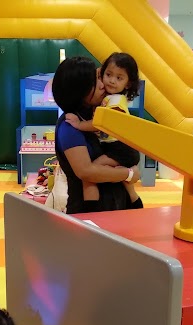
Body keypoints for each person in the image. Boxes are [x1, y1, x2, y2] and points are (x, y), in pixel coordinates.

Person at [52, 56, 143, 214]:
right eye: (96, 81)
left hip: (117, 208)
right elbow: (85, 171)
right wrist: (128, 174)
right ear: (81, 90)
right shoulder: (70, 125)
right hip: (90, 213)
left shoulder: (99, 112)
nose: (104, 85)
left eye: (100, 77)